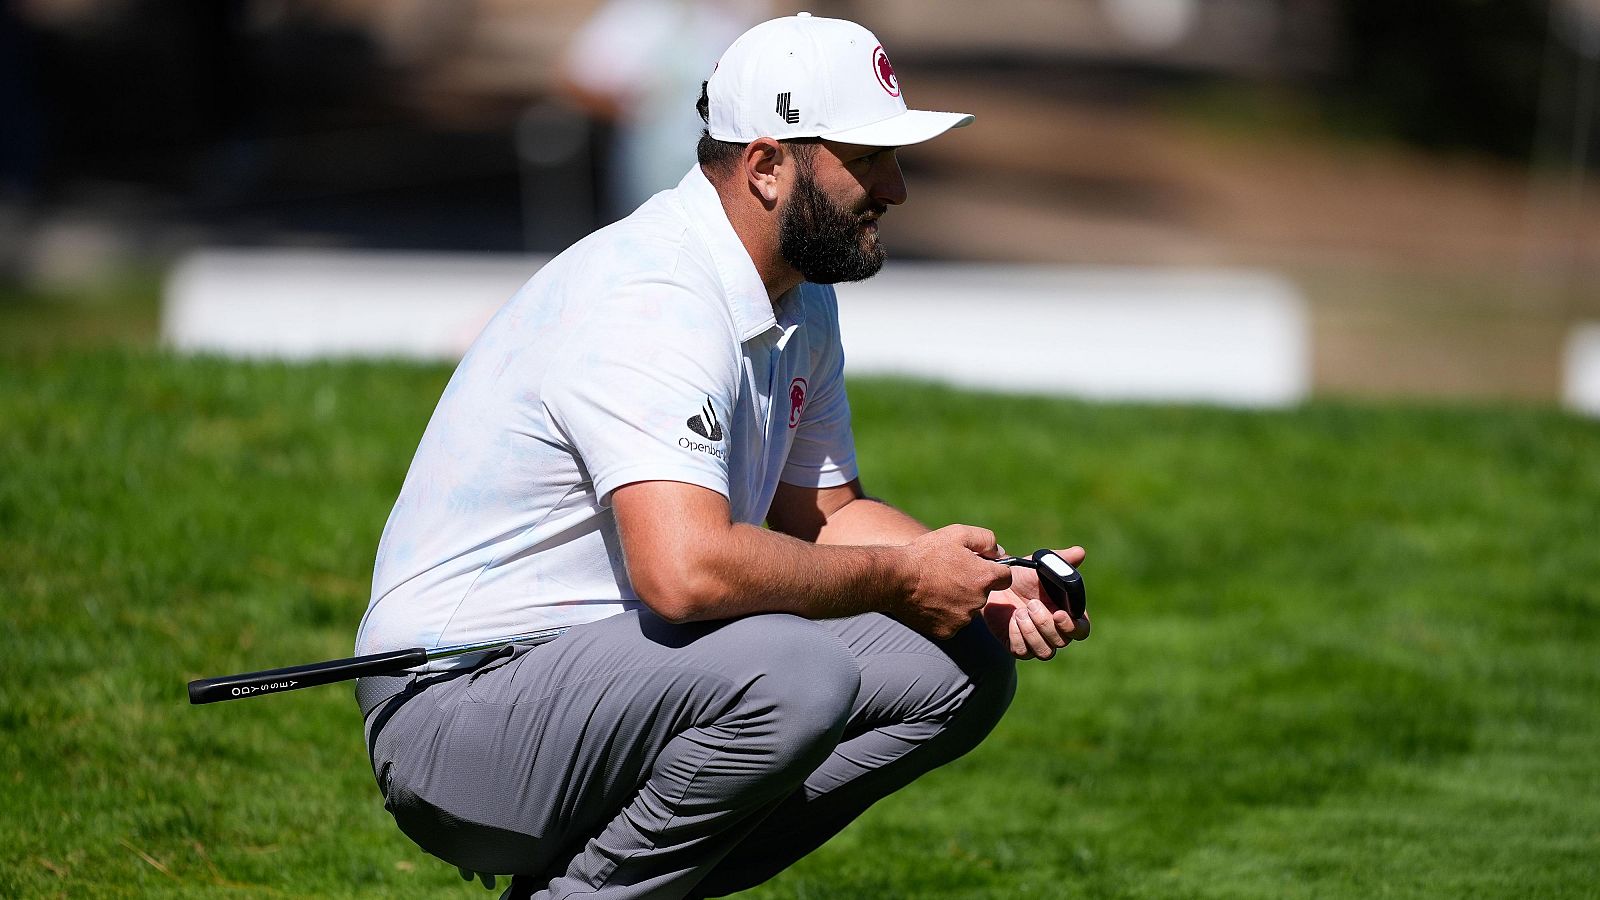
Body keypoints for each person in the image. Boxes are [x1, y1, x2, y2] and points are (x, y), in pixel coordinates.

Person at [353, 14, 1089, 900]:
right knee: (794, 673)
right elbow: (687, 575)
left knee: (958, 659)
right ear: (767, 166)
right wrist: (900, 580)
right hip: (454, 711)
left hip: (595, 679)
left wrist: (982, 578)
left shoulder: (798, 295)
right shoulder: (655, 297)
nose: (895, 188)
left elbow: (822, 516)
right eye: (866, 160)